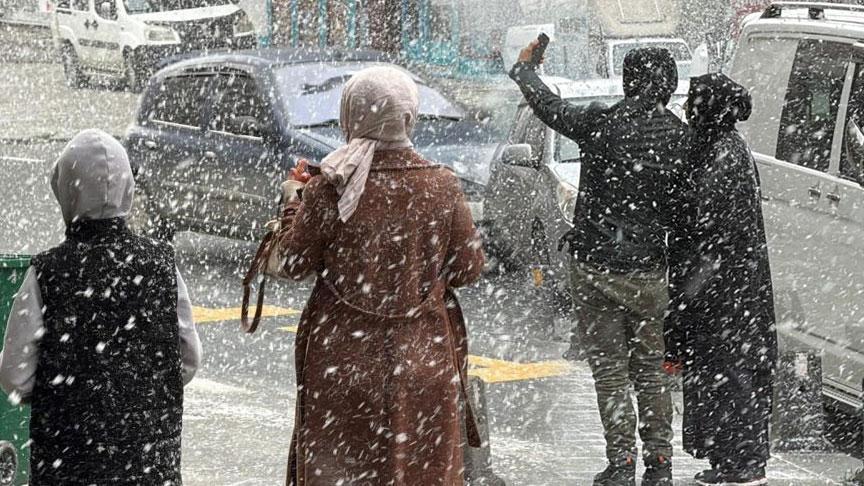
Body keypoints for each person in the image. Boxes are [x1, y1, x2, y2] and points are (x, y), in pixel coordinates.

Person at [276, 66, 485, 485]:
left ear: (349, 116)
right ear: (408, 117)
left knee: (342, 472)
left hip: (341, 363)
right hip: (425, 360)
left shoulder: (330, 186)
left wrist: (292, 206)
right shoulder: (442, 185)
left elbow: (293, 264)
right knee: (419, 471)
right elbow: (468, 268)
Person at [510, 42, 688, 485]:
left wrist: (525, 70)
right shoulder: (680, 139)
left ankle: (621, 463)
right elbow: (683, 213)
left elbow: (548, 106)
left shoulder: (600, 123)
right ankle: (661, 465)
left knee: (610, 372)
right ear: (668, 84)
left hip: (595, 266)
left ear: (628, 81)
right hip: (648, 270)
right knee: (650, 371)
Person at [0, 129, 201, 485]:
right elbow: (188, 358)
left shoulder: (47, 272)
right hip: (149, 464)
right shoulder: (161, 265)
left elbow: (15, 376)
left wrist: (61, 398)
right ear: (128, 189)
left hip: (68, 462)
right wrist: (143, 397)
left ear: (64, 190)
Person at [664, 73, 777, 486]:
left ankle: (743, 461)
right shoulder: (723, 148)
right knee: (724, 371)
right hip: (730, 287)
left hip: (726, 290)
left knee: (731, 372)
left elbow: (712, 230)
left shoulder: (721, 155)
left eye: (695, 103)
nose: (689, 111)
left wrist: (690, 289)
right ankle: (731, 458)